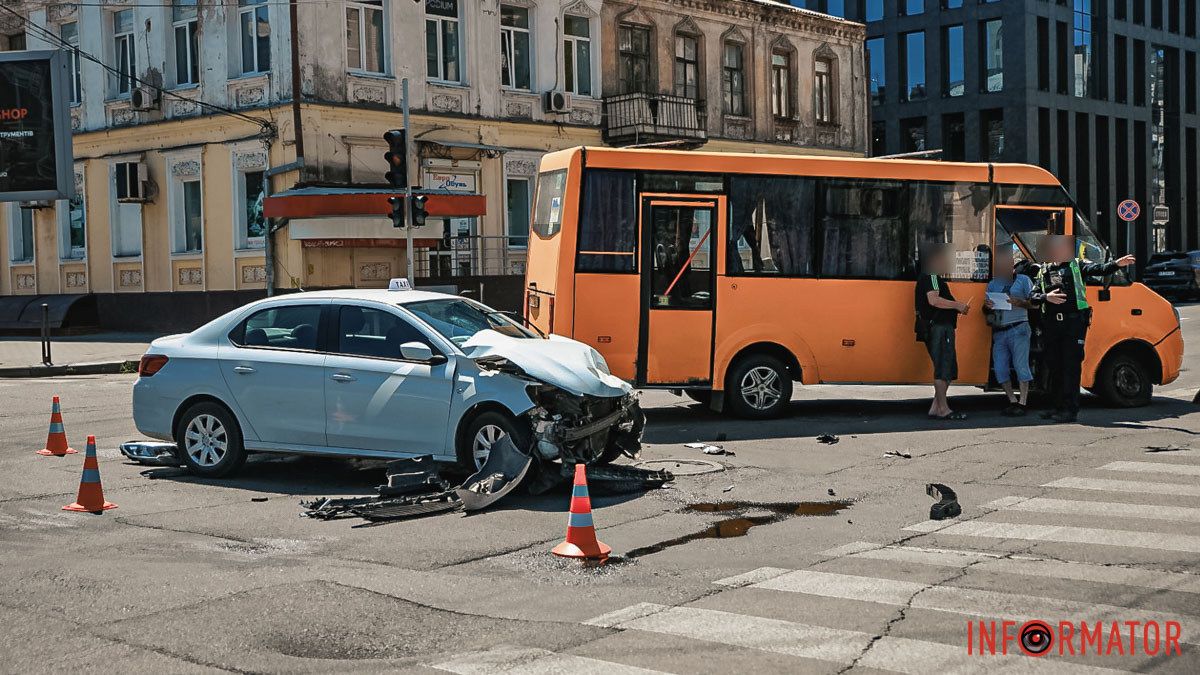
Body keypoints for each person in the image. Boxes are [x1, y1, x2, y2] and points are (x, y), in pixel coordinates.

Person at [1030, 236, 1136, 422]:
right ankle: (1056, 406)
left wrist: (1117, 264)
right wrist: (1046, 297)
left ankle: (1070, 410)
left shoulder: (1076, 265)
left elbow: (1101, 269)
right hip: (1052, 325)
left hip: (1073, 324)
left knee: (1070, 367)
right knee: (1054, 367)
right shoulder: (1044, 270)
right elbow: (1032, 295)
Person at [916, 245, 972, 420]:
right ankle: (943, 409)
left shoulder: (929, 277)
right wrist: (958, 305)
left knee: (946, 368)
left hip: (937, 328)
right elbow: (933, 300)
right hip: (940, 328)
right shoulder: (932, 276)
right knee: (944, 369)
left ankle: (936, 407)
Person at [985, 246, 1036, 416]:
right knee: (1000, 368)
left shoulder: (1023, 280)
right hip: (1000, 331)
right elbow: (985, 309)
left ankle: (1023, 402)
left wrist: (1018, 302)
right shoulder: (993, 283)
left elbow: (1034, 303)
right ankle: (1012, 400)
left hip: (1019, 327)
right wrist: (987, 306)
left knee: (1021, 365)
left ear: (1012, 265)